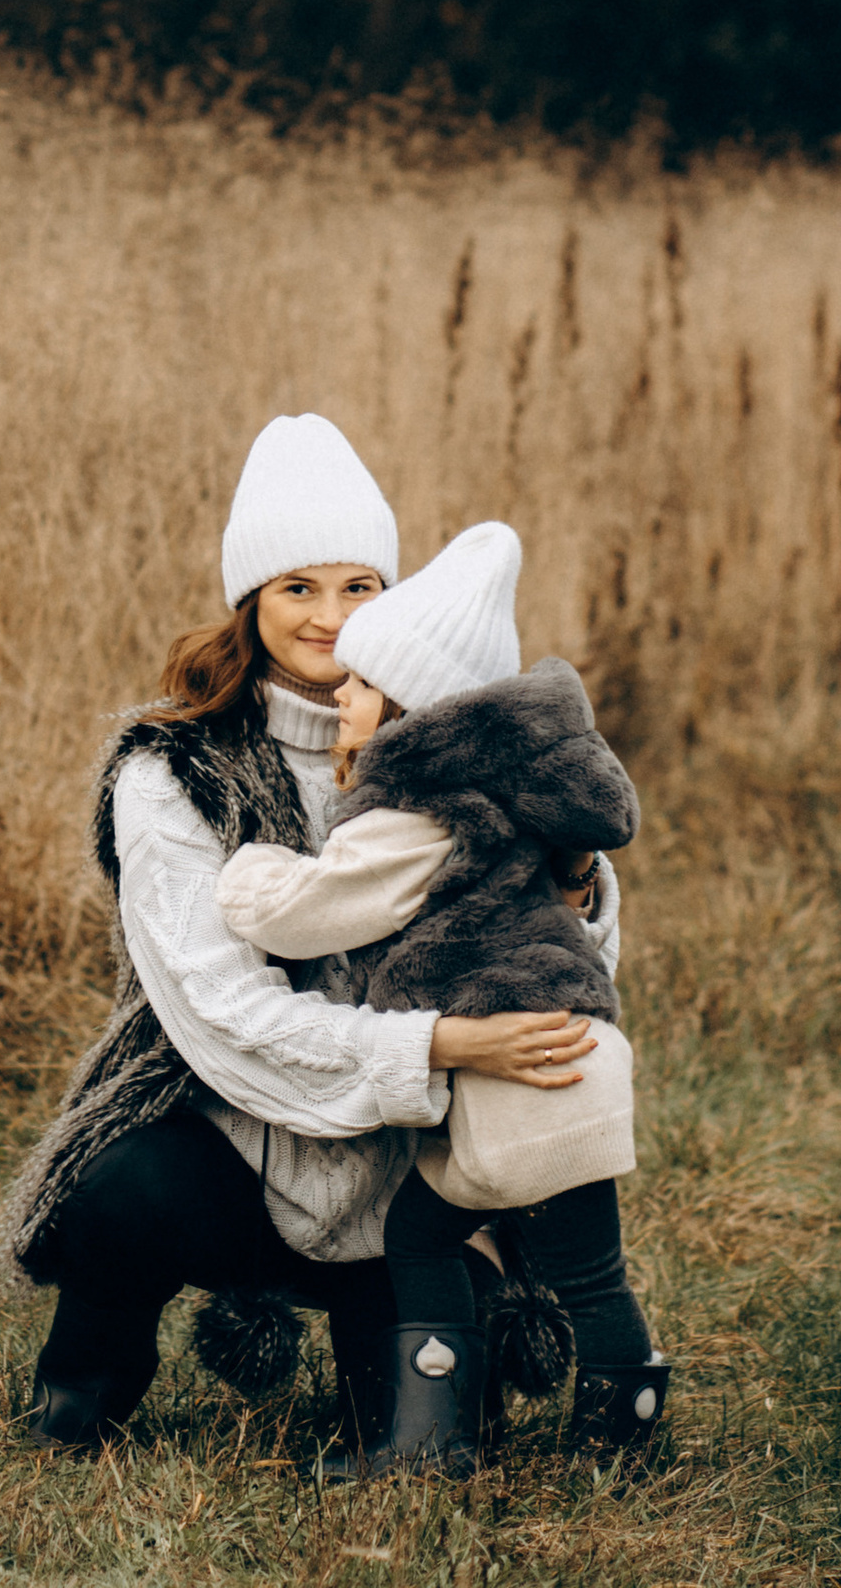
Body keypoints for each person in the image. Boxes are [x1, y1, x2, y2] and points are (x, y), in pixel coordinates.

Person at [3, 415, 615, 1472]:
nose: (330, 618)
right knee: (125, 1189)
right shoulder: (172, 771)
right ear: (251, 600)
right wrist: (435, 1047)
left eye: (359, 587)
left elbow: (571, 964)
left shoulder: (472, 745)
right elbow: (221, 1008)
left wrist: (573, 878)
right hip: (234, 1147)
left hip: (415, 1177)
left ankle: (419, 1345)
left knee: (432, 1444)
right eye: (298, 587)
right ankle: (81, 1392)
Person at [214, 520, 670, 1475]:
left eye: (356, 689)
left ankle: (510, 1438)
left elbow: (306, 913)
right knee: (496, 1250)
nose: (339, 703)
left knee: (522, 1259)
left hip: (529, 1072)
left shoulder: (417, 814)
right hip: (562, 1053)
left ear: (406, 709)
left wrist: (250, 871)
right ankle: (519, 1438)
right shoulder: (506, 791)